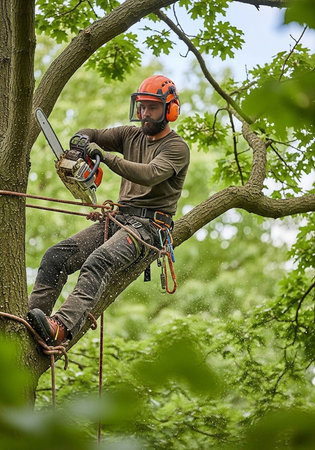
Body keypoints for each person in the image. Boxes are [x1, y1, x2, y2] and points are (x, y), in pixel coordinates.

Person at [27, 74, 190, 346]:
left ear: (170, 109)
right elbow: (93, 135)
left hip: (148, 228)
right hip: (118, 220)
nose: (145, 114)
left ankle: (61, 328)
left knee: (99, 261)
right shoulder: (130, 134)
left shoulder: (176, 147)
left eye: (153, 108)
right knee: (56, 256)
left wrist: (105, 157)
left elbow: (149, 174)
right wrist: (82, 145)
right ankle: (34, 319)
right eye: (142, 107)